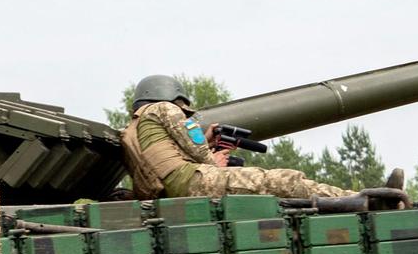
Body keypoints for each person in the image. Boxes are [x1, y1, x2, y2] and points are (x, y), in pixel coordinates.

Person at [119, 75, 360, 199]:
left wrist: (206, 142)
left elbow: (160, 166)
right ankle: (357, 198)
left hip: (173, 189)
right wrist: (213, 161)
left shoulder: (131, 131)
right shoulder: (164, 108)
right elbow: (195, 149)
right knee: (281, 181)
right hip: (194, 182)